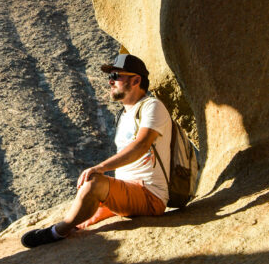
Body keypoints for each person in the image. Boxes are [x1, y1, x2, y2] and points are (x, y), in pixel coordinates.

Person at [21, 52, 172, 247]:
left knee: (93, 184)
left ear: (136, 80)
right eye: (110, 76)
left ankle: (58, 232)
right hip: (129, 189)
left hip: (149, 195)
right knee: (85, 207)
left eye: (116, 76)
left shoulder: (152, 106)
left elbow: (141, 146)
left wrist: (99, 168)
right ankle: (70, 225)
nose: (110, 81)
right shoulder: (125, 114)